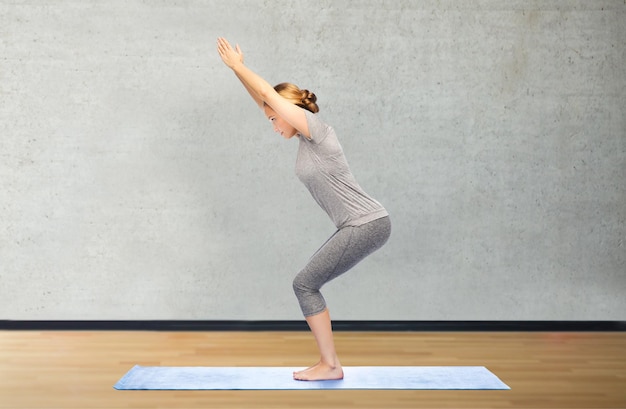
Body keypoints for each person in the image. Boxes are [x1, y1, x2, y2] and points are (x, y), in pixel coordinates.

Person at [217, 37, 391, 381]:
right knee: (306, 284)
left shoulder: (319, 133)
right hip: (356, 225)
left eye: (274, 119)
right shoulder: (302, 140)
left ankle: (330, 365)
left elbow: (269, 97)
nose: (272, 125)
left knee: (305, 284)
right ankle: (329, 363)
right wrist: (236, 73)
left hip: (366, 223)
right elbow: (263, 100)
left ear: (287, 111)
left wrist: (239, 66)